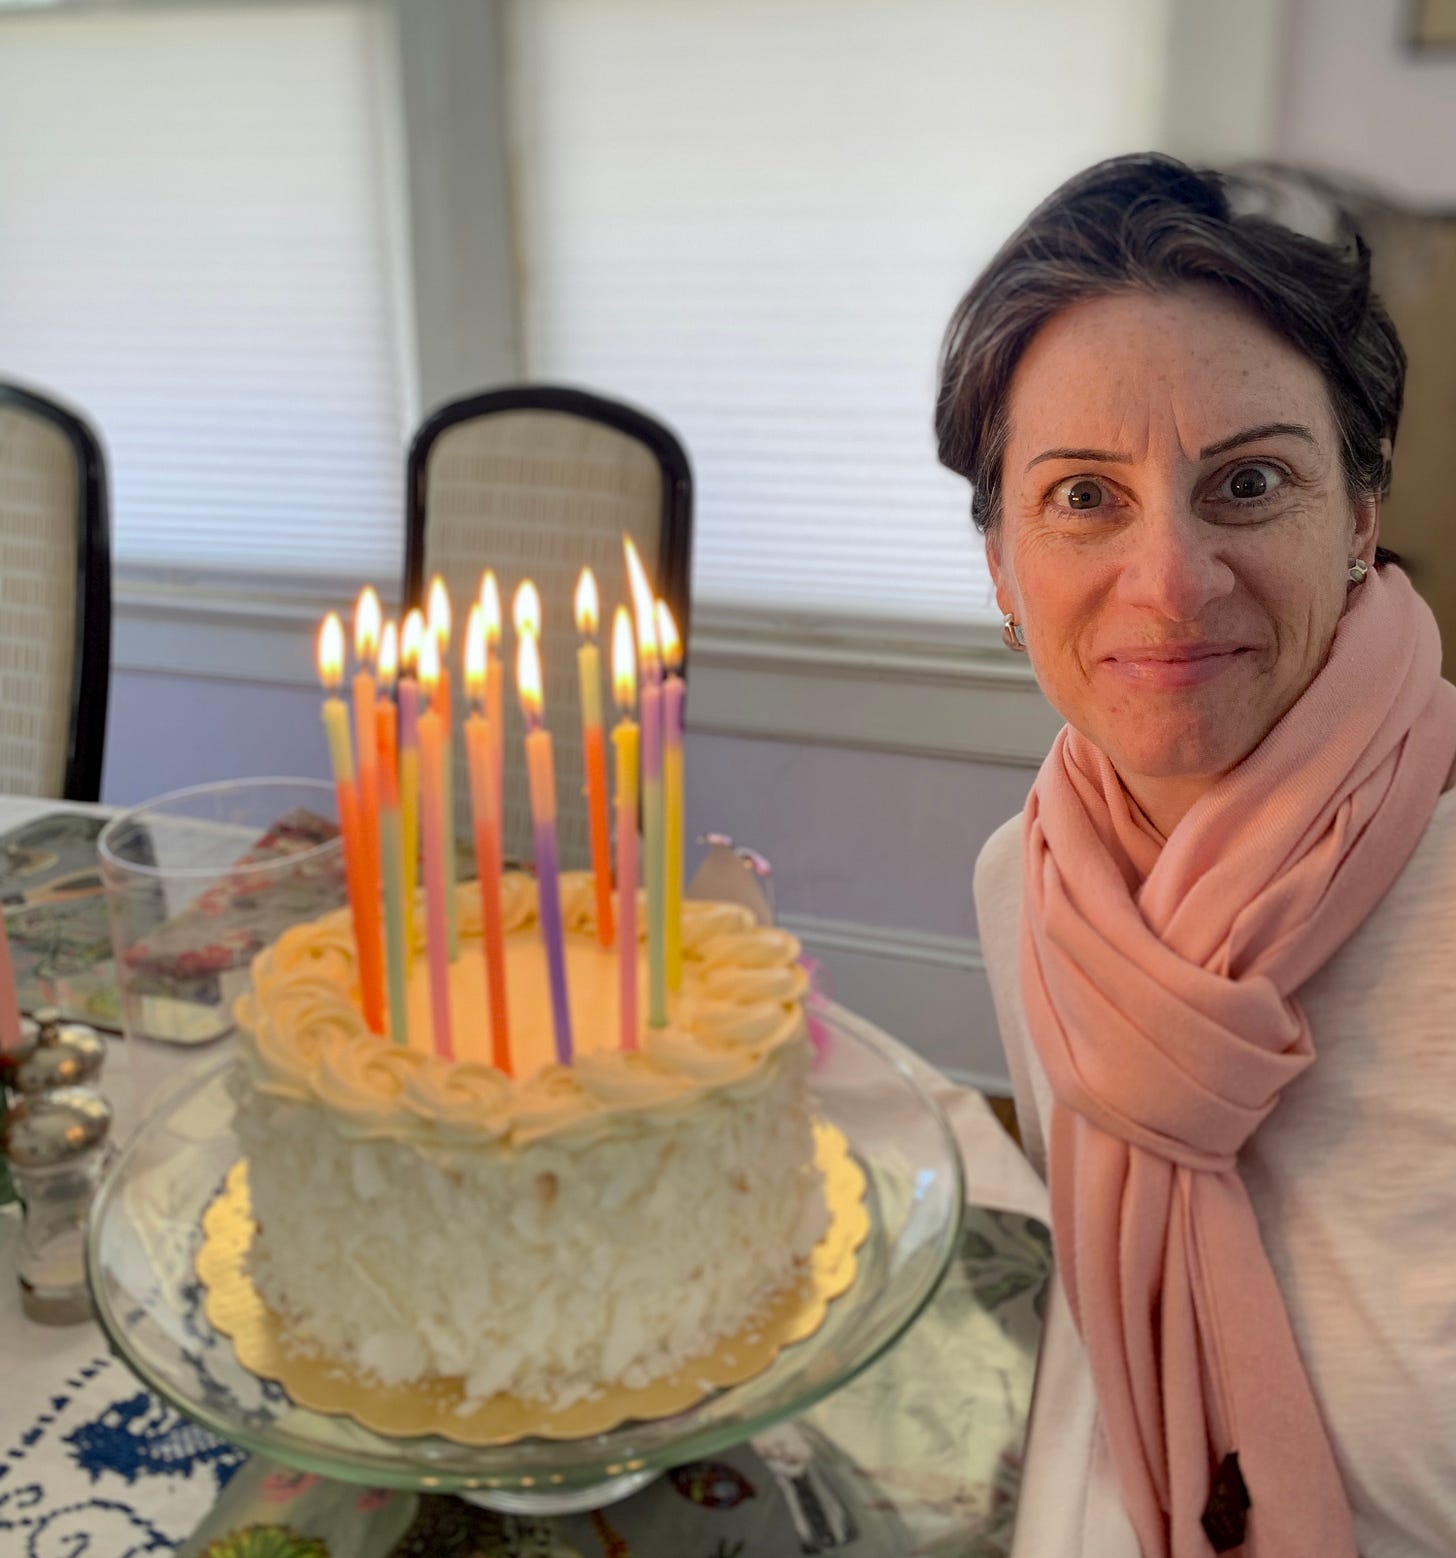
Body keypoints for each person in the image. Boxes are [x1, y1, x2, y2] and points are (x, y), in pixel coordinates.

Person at [936, 153, 1456, 1557]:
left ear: (1358, 518)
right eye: (1084, 497)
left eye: (1248, 481)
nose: (1168, 582)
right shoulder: (1028, 885)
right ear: (1001, 569)